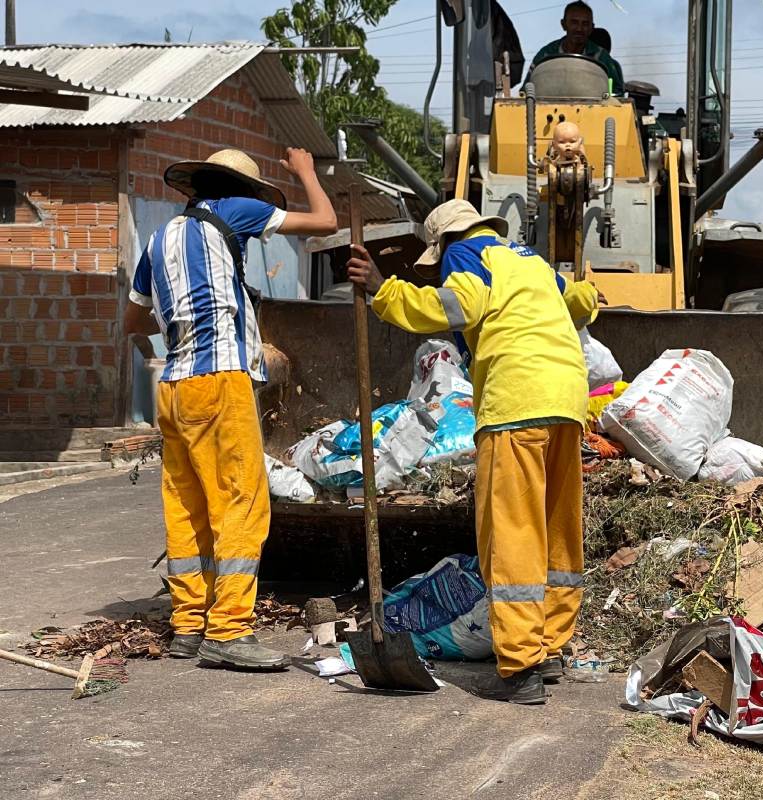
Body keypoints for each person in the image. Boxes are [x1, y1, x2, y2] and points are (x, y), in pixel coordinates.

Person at [345, 199, 600, 704]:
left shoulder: (466, 254)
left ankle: (522, 666)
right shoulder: (530, 261)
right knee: (557, 529)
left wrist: (383, 290)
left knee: (513, 532)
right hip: (568, 402)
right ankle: (549, 647)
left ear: (444, 244)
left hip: (515, 403)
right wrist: (589, 291)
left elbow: (456, 306)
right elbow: (582, 302)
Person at [122, 147, 338, 670]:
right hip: (220, 381)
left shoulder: (159, 239)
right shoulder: (234, 210)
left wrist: (182, 327)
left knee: (188, 505)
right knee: (242, 500)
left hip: (174, 387)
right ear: (239, 190)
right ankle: (229, 631)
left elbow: (133, 321)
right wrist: (306, 171)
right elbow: (325, 223)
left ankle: (189, 626)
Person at [528, 1, 624, 95]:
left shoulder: (602, 57)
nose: (579, 29)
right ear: (563, 24)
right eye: (574, 22)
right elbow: (527, 91)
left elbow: (617, 94)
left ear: (591, 28)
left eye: (585, 24)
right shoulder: (546, 54)